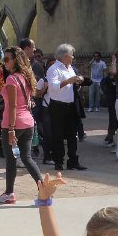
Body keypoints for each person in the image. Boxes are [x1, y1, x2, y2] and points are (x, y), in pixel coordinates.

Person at [0, 47, 43, 204]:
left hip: (14, 124)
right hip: (28, 122)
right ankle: (44, 190)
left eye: (7, 59)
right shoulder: (25, 76)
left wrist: (11, 129)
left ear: (15, 60)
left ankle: (9, 193)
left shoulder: (12, 79)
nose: (4, 62)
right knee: (26, 158)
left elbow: (13, 105)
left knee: (11, 159)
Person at [46, 43, 87, 171]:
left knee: (72, 134)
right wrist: (69, 81)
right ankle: (58, 161)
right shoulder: (53, 69)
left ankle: (73, 161)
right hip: (57, 106)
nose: (73, 57)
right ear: (65, 56)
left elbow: (72, 83)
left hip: (70, 105)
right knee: (57, 135)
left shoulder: (70, 68)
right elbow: (53, 86)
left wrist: (78, 80)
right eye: (71, 55)